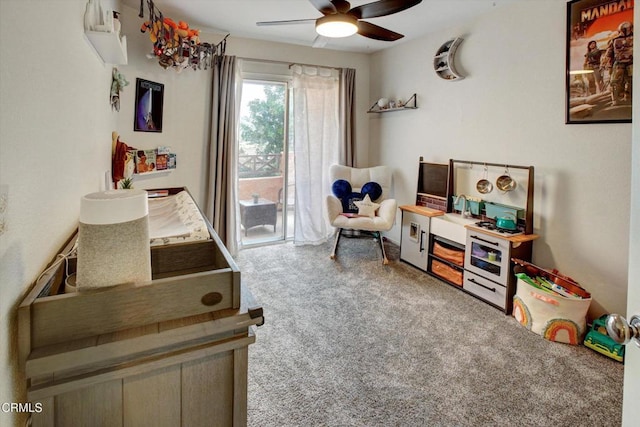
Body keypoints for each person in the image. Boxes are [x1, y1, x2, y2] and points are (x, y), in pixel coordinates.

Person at [605, 21, 633, 105]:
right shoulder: (614, 40)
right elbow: (609, 54)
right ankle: (615, 100)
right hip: (619, 63)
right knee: (615, 82)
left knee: (630, 81)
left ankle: (627, 98)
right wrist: (609, 66)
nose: (625, 30)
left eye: (626, 29)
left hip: (631, 63)